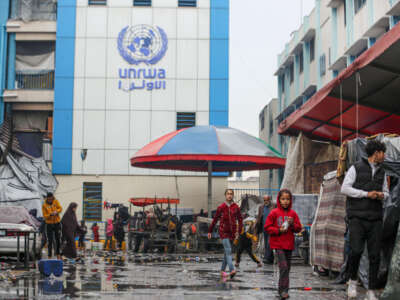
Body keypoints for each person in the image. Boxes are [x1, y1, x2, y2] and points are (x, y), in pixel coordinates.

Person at [341, 140, 388, 300]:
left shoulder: (383, 172)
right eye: (383, 152)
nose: (385, 155)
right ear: (376, 153)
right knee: (356, 250)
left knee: (375, 255)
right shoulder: (355, 167)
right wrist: (365, 194)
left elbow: (386, 192)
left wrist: (382, 195)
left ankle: (371, 290)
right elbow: (345, 188)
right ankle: (352, 281)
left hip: (375, 218)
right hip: (357, 217)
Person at [265, 189, 302, 299]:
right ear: (279, 200)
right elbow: (267, 227)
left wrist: (292, 224)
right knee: (284, 267)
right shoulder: (274, 213)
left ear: (290, 200)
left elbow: (298, 228)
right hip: (278, 245)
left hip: (289, 245)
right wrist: (278, 230)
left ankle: (284, 289)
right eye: (283, 199)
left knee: (287, 268)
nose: (285, 201)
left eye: (288, 199)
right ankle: (282, 291)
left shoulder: (293, 214)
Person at [208, 189, 243, 279]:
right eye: (228, 194)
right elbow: (215, 219)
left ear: (233, 195)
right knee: (228, 251)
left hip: (232, 233)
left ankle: (222, 271)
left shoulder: (236, 207)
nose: (229, 196)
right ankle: (232, 269)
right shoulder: (221, 207)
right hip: (223, 231)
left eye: (231, 194)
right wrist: (210, 231)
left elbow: (240, 219)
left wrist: (239, 231)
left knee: (226, 253)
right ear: (225, 195)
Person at [42, 192, 62, 259]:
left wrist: (56, 211)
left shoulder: (55, 201)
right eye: (49, 199)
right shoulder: (44, 205)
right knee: (50, 240)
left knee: (58, 239)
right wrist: (50, 214)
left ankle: (58, 254)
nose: (50, 200)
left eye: (51, 199)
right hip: (49, 224)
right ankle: (49, 256)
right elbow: (44, 216)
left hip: (57, 223)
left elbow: (60, 208)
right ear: (47, 198)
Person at [256, 195, 274, 264]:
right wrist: (256, 225)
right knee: (266, 243)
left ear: (270, 200)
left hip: (271, 228)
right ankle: (270, 259)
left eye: (267, 200)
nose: (266, 202)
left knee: (269, 243)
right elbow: (259, 217)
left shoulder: (273, 206)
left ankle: (266, 258)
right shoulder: (261, 207)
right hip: (264, 228)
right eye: (264, 200)